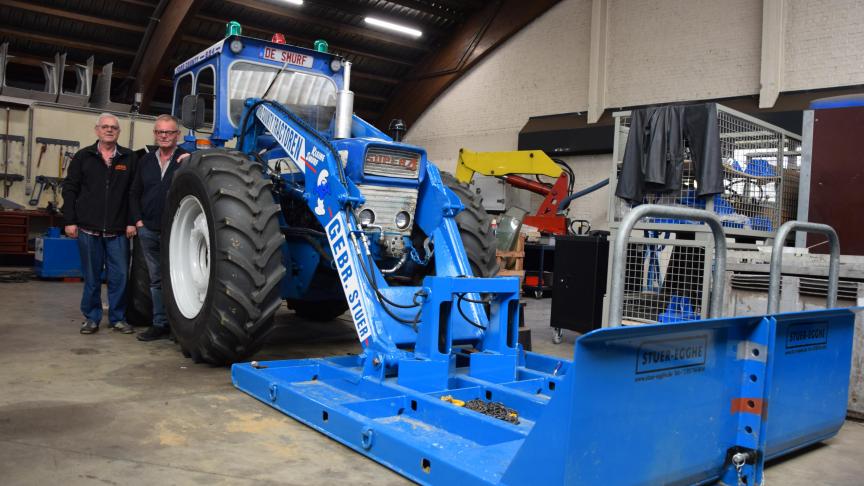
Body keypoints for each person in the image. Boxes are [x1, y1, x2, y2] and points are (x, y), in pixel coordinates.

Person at [62, 113, 137, 334]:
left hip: (118, 231)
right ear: (97, 130)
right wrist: (69, 221)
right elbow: (70, 189)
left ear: (118, 132)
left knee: (120, 276)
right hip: (87, 229)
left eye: (113, 127)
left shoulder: (129, 158)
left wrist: (132, 221)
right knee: (92, 277)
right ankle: (92, 318)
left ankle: (118, 318)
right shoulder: (83, 157)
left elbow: (134, 192)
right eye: (105, 127)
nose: (109, 130)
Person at [129, 114, 189, 342]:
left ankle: (177, 327)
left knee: (178, 279)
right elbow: (134, 193)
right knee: (155, 279)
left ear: (177, 135)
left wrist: (192, 160)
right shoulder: (144, 161)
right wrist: (138, 222)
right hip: (148, 229)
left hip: (176, 231)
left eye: (169, 132)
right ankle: (159, 323)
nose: (164, 136)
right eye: (160, 132)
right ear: (155, 134)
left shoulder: (186, 159)